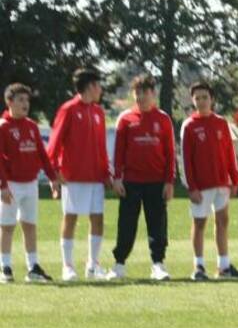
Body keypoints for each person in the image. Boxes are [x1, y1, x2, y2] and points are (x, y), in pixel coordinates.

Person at [46, 68, 111, 282]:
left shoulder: (98, 112)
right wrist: (54, 172)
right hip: (72, 176)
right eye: (98, 85)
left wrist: (106, 174)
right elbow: (54, 143)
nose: (100, 89)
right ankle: (68, 266)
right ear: (91, 86)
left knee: (98, 219)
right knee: (71, 218)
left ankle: (93, 265)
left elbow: (101, 147)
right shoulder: (68, 109)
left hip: (96, 177)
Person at [108, 74, 175, 281]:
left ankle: (158, 264)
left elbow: (170, 153)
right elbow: (118, 151)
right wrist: (117, 178)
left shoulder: (163, 119)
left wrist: (169, 182)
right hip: (131, 182)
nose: (141, 97)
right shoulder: (125, 118)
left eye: (145, 92)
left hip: (156, 182)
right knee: (126, 224)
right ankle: (119, 264)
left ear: (153, 94)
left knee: (157, 224)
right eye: (137, 93)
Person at [180, 81, 238, 281]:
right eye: (197, 98)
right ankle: (198, 266)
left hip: (221, 183)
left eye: (204, 97)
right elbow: (186, 160)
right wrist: (192, 187)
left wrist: (234, 179)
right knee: (200, 223)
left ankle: (224, 266)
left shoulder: (221, 123)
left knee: (222, 221)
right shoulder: (189, 125)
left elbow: (229, 153)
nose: (201, 101)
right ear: (193, 101)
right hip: (201, 186)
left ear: (212, 99)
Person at [0, 84, 59, 282]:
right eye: (20, 100)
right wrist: (3, 186)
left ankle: (33, 267)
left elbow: (42, 155)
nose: (25, 104)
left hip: (30, 183)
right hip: (11, 185)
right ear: (9, 102)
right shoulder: (3, 126)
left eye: (27, 100)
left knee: (29, 225)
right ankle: (5, 267)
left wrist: (52, 178)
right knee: (7, 226)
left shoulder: (32, 126)